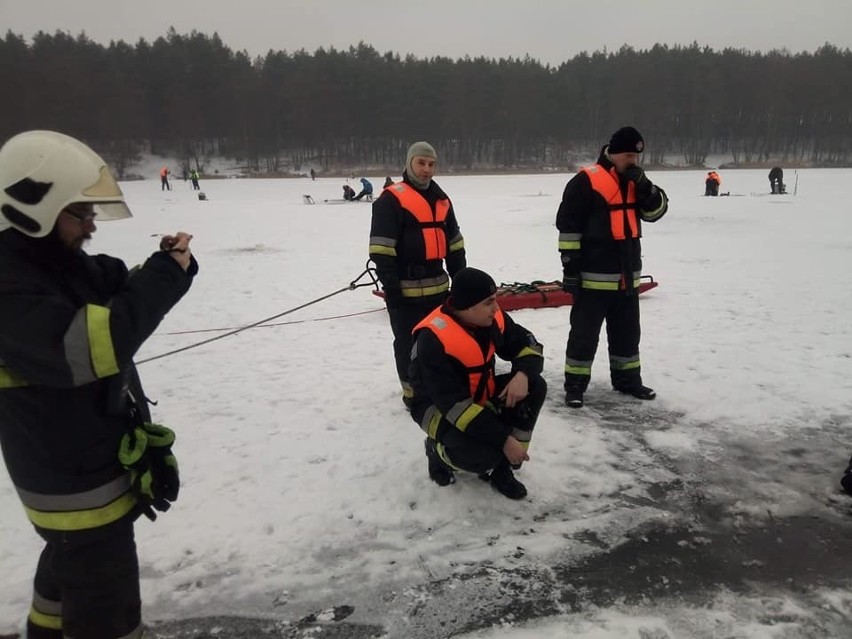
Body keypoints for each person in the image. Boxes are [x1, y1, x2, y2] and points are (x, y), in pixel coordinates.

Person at [0, 130, 198, 638]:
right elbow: (92, 348)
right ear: (31, 209)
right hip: (70, 481)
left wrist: (165, 264)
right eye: (79, 214)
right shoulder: (9, 283)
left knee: (68, 569)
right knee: (105, 604)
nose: (90, 225)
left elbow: (109, 279)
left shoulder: (47, 260)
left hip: (82, 463)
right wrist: (164, 278)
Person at [409, 267, 546, 499]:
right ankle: (437, 451)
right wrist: (503, 440)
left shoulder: (491, 318)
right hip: (437, 408)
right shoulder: (433, 341)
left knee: (535, 385)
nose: (496, 308)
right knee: (481, 454)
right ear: (468, 306)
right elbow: (454, 407)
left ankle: (502, 468)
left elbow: (529, 345)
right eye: (489, 302)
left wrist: (522, 374)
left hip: (476, 396)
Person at [556, 126, 669, 408]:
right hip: (592, 278)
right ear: (614, 153)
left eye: (637, 156)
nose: (633, 161)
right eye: (628, 155)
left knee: (628, 335)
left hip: (627, 278)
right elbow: (568, 228)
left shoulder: (637, 181)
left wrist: (644, 185)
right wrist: (570, 268)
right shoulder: (585, 181)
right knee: (583, 336)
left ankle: (628, 380)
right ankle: (575, 386)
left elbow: (656, 212)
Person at [369, 141, 467, 409]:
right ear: (410, 163)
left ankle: (439, 389)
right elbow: (381, 250)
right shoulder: (391, 200)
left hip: (438, 291)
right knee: (407, 347)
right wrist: (392, 290)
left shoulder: (443, 200)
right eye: (421, 163)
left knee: (440, 345)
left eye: (431, 164)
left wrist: (461, 284)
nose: (426, 170)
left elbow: (456, 247)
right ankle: (413, 396)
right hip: (405, 293)